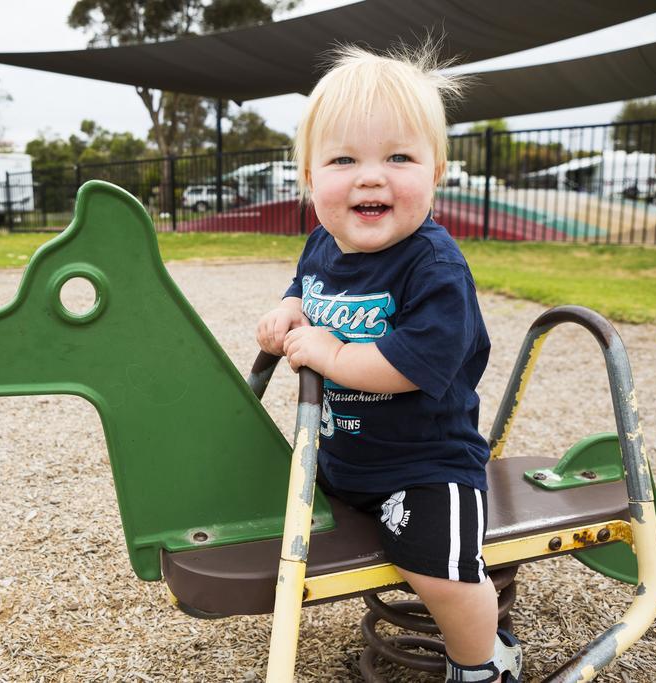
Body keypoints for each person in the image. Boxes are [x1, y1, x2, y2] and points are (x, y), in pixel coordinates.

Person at [255, 44, 521, 683]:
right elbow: (307, 280)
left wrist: (332, 352)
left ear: (436, 172)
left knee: (444, 575)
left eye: (399, 157)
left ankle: (481, 661)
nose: (370, 176)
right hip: (342, 456)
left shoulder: (435, 269)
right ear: (311, 179)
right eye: (344, 159)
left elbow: (406, 365)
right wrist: (292, 306)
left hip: (424, 466)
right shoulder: (325, 239)